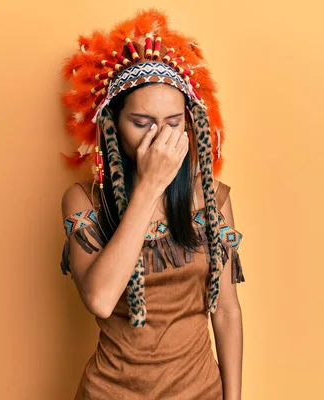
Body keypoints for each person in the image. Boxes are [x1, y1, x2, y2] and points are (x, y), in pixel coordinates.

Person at [59, 9, 245, 399]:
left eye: (174, 122)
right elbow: (100, 299)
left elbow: (226, 310)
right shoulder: (83, 201)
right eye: (142, 123)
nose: (160, 137)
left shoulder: (210, 198)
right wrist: (148, 187)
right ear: (112, 125)